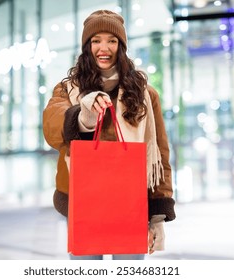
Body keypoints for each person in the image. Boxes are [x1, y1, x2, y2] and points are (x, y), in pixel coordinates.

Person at [43, 9, 176, 260]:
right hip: (83, 201)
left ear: (121, 46)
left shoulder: (145, 94)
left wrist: (157, 215)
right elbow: (51, 126)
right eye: (96, 40)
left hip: (131, 205)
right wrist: (83, 115)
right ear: (87, 46)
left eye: (112, 40)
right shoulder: (67, 90)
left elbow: (159, 154)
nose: (104, 47)